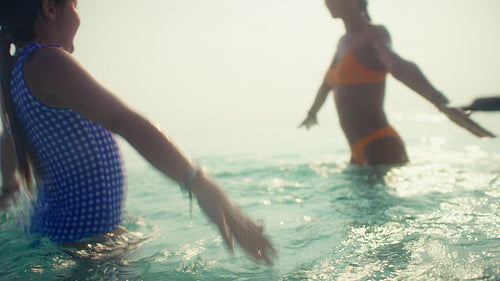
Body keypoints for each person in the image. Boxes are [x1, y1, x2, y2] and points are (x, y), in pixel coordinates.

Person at [0, 0, 274, 264]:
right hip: (86, 246)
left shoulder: (18, 71)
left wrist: (9, 185)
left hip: (69, 238)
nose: (78, 16)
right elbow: (124, 121)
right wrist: (201, 185)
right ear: (49, 7)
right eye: (75, 5)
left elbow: (10, 137)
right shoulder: (47, 60)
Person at [299, 0, 495, 166]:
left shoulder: (373, 33)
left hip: (380, 144)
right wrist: (311, 114)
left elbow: (397, 65)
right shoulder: (342, 42)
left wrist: (440, 102)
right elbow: (326, 86)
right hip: (356, 151)